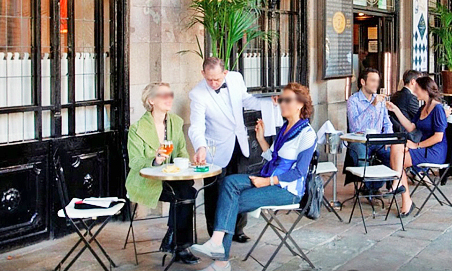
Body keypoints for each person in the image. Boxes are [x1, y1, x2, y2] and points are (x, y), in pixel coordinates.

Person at [192, 83, 317, 271]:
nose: (282, 103)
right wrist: (261, 140)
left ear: (300, 104)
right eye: (281, 99)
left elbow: (299, 172)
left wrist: (267, 181)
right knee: (229, 182)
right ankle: (217, 243)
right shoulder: (285, 128)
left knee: (232, 201)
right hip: (269, 180)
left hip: (287, 190)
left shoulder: (307, 134)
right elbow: (273, 158)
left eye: (287, 100)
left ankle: (220, 260)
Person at [188, 57, 277, 243]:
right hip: (215, 148)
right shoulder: (197, 94)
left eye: (217, 79)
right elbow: (196, 127)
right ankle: (215, 235)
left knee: (240, 187)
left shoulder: (236, 78)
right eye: (209, 79)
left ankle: (238, 229)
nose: (213, 83)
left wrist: (270, 102)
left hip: (239, 143)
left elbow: (246, 101)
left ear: (225, 73)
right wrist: (200, 147)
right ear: (203, 74)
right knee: (215, 191)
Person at [126, 83, 199, 264]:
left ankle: (176, 240)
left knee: (186, 190)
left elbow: (181, 152)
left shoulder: (176, 122)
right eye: (163, 95)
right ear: (151, 100)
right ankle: (180, 245)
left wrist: (187, 162)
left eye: (170, 94)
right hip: (147, 180)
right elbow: (134, 162)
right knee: (186, 193)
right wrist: (154, 160)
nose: (169, 99)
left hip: (172, 177)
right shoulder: (137, 129)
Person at [386, 77, 448, 217]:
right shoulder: (423, 108)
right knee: (397, 150)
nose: (415, 92)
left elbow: (438, 137)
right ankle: (404, 196)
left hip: (435, 150)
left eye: (417, 89)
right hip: (423, 148)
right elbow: (410, 127)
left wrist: (416, 145)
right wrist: (395, 110)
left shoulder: (437, 109)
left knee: (398, 159)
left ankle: (399, 187)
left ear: (425, 90)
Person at [346, 68, 394, 192]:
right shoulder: (353, 100)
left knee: (393, 155)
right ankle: (369, 189)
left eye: (377, 81)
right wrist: (372, 106)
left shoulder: (380, 101)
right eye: (372, 81)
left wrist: (388, 138)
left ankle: (374, 187)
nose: (376, 85)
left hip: (377, 140)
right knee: (362, 157)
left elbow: (387, 123)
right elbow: (355, 127)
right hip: (359, 140)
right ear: (363, 82)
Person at [388, 69, 423, 143]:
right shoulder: (410, 98)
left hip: (395, 131)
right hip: (407, 135)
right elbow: (420, 118)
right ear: (413, 82)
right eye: (420, 82)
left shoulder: (396, 94)